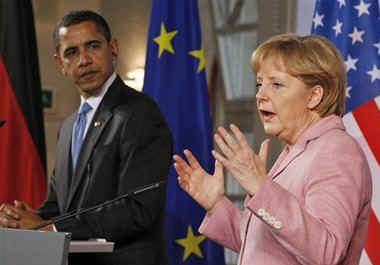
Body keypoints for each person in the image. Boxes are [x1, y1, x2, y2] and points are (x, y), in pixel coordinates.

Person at [173, 33, 372, 265]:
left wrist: (261, 189)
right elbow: (268, 245)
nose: (260, 95)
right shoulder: (296, 152)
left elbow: (326, 251)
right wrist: (216, 204)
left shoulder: (337, 151)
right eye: (259, 84)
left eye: (276, 84)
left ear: (314, 96)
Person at [0, 10, 172, 265]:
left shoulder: (140, 114)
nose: (84, 60)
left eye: (93, 46)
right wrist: (26, 217)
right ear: (59, 63)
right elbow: (61, 206)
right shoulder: (68, 126)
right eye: (72, 52)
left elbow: (137, 208)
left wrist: (50, 228)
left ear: (113, 48)